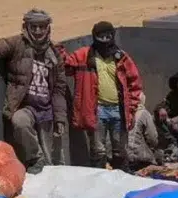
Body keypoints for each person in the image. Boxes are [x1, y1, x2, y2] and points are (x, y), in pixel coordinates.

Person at [0, 9, 67, 173]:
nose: (38, 31)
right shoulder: (17, 44)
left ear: (48, 29)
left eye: (42, 27)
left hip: (47, 109)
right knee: (20, 121)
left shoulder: (55, 54)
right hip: (26, 106)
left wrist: (60, 117)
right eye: (34, 27)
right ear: (26, 27)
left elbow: (59, 88)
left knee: (53, 163)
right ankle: (35, 158)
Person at [56, 21, 142, 170]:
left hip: (119, 110)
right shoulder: (84, 55)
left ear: (113, 36)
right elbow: (65, 66)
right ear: (95, 37)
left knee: (120, 150)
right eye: (100, 37)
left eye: (108, 36)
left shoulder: (121, 58)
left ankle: (122, 180)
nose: (104, 40)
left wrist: (132, 108)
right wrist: (58, 49)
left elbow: (134, 83)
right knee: (98, 150)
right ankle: (99, 182)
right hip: (97, 110)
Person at [126, 92, 159, 171]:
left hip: (123, 158)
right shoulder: (144, 113)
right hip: (139, 159)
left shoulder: (123, 112)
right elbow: (153, 139)